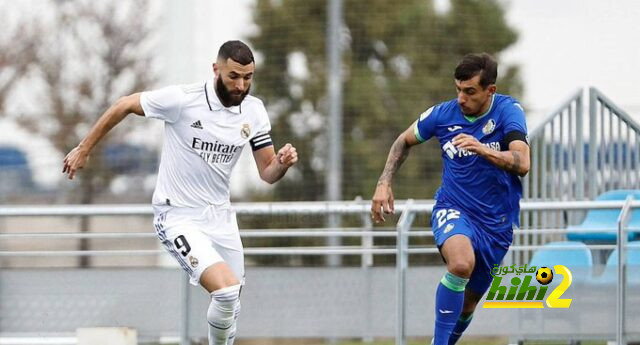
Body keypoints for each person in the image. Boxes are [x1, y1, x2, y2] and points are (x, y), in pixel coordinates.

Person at [63, 40, 298, 345]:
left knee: (232, 303)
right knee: (225, 292)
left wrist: (281, 163)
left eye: (248, 77)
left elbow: (267, 173)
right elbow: (124, 104)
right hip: (177, 216)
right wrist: (84, 149)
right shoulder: (182, 100)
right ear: (216, 69)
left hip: (220, 218)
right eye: (234, 76)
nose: (241, 85)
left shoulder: (254, 111)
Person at [371, 53, 529, 345]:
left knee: (468, 305)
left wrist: (484, 149)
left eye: (469, 91)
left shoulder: (509, 112)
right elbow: (403, 141)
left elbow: (523, 162)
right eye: (458, 89)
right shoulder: (442, 115)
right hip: (454, 209)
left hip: (496, 225)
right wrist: (384, 182)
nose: (461, 98)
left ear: (490, 90)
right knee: (460, 264)